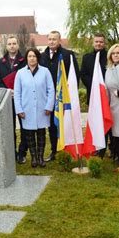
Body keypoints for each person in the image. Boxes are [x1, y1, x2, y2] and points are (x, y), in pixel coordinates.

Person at [39, 30, 79, 162]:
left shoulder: (68, 55)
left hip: (64, 96)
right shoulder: (41, 56)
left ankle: (66, 149)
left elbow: (75, 75)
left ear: (59, 40)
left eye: (54, 39)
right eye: (49, 39)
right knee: (52, 125)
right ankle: (54, 151)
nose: (51, 41)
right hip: (48, 97)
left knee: (65, 123)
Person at [14, 48, 55, 168]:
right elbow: (17, 93)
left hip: (43, 108)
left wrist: (49, 106)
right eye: (29, 56)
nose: (32, 58)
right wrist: (19, 109)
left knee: (41, 133)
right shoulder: (20, 73)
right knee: (29, 134)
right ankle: (33, 158)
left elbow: (51, 90)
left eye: (34, 56)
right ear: (26, 58)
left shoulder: (45, 71)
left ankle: (40, 157)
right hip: (26, 109)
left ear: (38, 58)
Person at [0, 36, 28, 164]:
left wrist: (17, 91)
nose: (12, 46)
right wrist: (8, 91)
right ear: (6, 46)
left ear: (18, 45)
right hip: (7, 99)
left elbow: (28, 79)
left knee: (25, 127)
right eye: (10, 44)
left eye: (14, 43)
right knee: (9, 127)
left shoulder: (24, 60)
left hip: (22, 98)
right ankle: (11, 152)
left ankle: (22, 152)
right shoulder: (0, 62)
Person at [80, 33, 113, 158]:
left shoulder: (110, 57)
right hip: (93, 96)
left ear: (104, 43)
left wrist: (103, 88)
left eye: (101, 42)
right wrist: (94, 87)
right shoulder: (87, 57)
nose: (98, 44)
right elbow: (83, 75)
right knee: (96, 122)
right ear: (93, 43)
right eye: (96, 41)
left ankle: (113, 148)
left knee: (108, 121)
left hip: (108, 95)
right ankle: (98, 147)